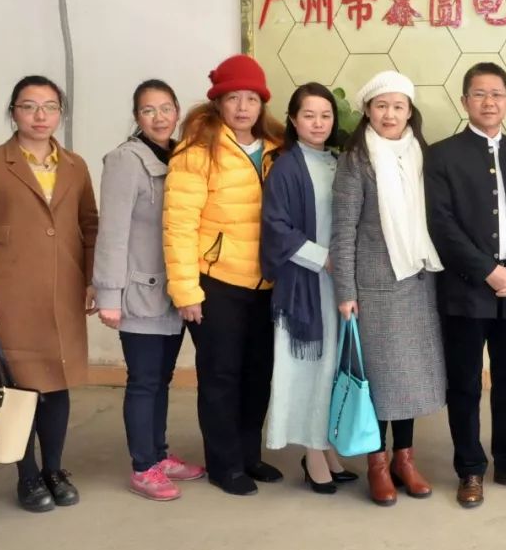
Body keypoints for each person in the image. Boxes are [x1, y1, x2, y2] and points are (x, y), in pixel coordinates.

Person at [0, 75, 98, 512]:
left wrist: (92, 280)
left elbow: (90, 225)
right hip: (9, 297)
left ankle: (54, 470)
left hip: (62, 294)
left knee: (57, 385)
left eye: (50, 106)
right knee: (19, 388)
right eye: (29, 106)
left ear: (60, 113)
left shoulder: (76, 166)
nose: (40, 116)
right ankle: (27, 476)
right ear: (14, 112)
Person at [425, 61, 506, 509]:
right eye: (479, 94)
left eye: (496, 94)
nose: (489, 102)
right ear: (464, 102)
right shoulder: (441, 155)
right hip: (464, 290)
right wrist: (485, 270)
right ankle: (470, 469)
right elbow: (441, 223)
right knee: (464, 385)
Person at [163, 54, 284, 496]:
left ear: (262, 103)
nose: (243, 107)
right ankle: (224, 463)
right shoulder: (196, 152)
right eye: (233, 98)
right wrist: (186, 291)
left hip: (266, 283)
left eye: (251, 98)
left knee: (258, 374)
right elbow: (178, 225)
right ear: (218, 102)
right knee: (221, 376)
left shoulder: (276, 148)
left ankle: (249, 455)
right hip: (216, 284)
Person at [330, 70, 446, 507]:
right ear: (368, 111)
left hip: (418, 280)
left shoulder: (422, 154)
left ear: (410, 112)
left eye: (398, 106)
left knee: (409, 379)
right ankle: (377, 463)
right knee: (379, 380)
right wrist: (346, 291)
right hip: (375, 285)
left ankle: (404, 459)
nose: (390, 114)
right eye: (381, 106)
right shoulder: (356, 159)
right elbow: (343, 230)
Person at [94, 80, 205, 501]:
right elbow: (112, 232)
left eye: (166, 108)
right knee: (143, 380)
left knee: (163, 377)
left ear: (177, 111)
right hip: (139, 292)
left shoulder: (181, 155)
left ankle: (159, 454)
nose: (159, 118)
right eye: (148, 110)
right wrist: (108, 295)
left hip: (172, 290)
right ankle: (143, 466)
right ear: (136, 117)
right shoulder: (126, 160)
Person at [261, 82, 356, 495]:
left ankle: (326, 446)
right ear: (293, 120)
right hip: (307, 284)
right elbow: (276, 228)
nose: (318, 123)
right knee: (309, 371)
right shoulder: (286, 166)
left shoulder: (340, 162)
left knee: (333, 369)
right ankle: (312, 453)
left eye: (325, 115)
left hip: (342, 283)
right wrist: (325, 258)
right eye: (309, 115)